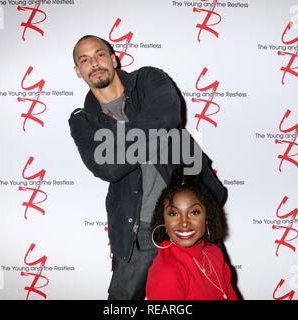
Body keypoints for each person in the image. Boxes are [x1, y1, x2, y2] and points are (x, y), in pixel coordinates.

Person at [68, 35, 227, 300]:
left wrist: (118, 144)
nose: (94, 63)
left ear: (114, 59)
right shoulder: (83, 121)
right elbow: (107, 168)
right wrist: (156, 132)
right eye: (84, 60)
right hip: (139, 228)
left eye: (99, 54)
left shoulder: (149, 80)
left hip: (191, 215)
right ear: (78, 71)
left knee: (209, 293)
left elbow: (167, 116)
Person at [146, 168, 237, 300]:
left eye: (194, 212)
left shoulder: (214, 252)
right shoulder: (167, 271)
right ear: (163, 220)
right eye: (173, 213)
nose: (184, 222)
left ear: (207, 216)